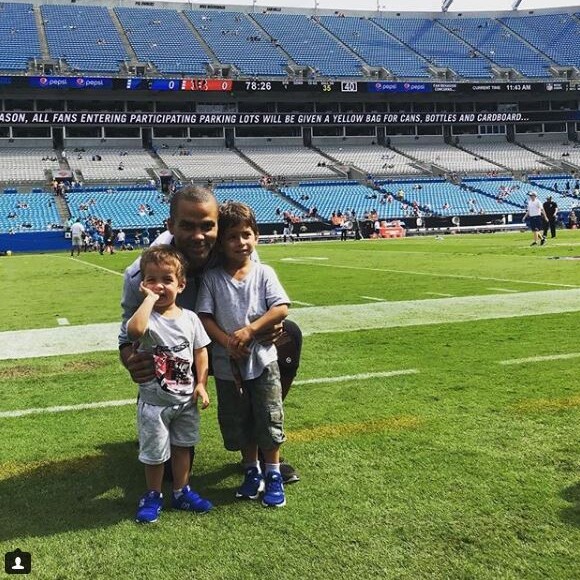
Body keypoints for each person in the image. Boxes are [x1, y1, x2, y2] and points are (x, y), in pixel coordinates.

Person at [119, 185, 301, 483]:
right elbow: (127, 329)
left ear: (218, 224)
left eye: (207, 226)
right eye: (187, 226)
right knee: (150, 354)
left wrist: (269, 327)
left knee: (288, 336)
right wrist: (128, 356)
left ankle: (260, 437)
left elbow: (261, 303)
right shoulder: (142, 273)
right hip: (176, 354)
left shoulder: (236, 249)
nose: (198, 236)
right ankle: (158, 427)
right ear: (170, 225)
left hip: (232, 346)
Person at [196, 202, 290, 508]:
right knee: (240, 418)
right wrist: (225, 340)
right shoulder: (212, 278)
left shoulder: (264, 272)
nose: (241, 242)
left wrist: (249, 331)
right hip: (227, 366)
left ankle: (273, 472)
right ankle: (251, 470)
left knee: (268, 414)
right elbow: (205, 317)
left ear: (257, 237)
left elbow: (280, 308)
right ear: (221, 244)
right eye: (233, 237)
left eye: (246, 234)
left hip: (263, 361)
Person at [127, 245, 213, 524]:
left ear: (181, 284)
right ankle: (153, 494)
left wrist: (201, 383)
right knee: (154, 453)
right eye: (152, 279)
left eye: (167, 280)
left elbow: (200, 351)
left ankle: (181, 490)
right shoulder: (147, 318)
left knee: (182, 447)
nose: (159, 286)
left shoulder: (190, 319)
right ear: (143, 284)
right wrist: (148, 300)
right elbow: (134, 331)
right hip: (155, 403)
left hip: (185, 401)